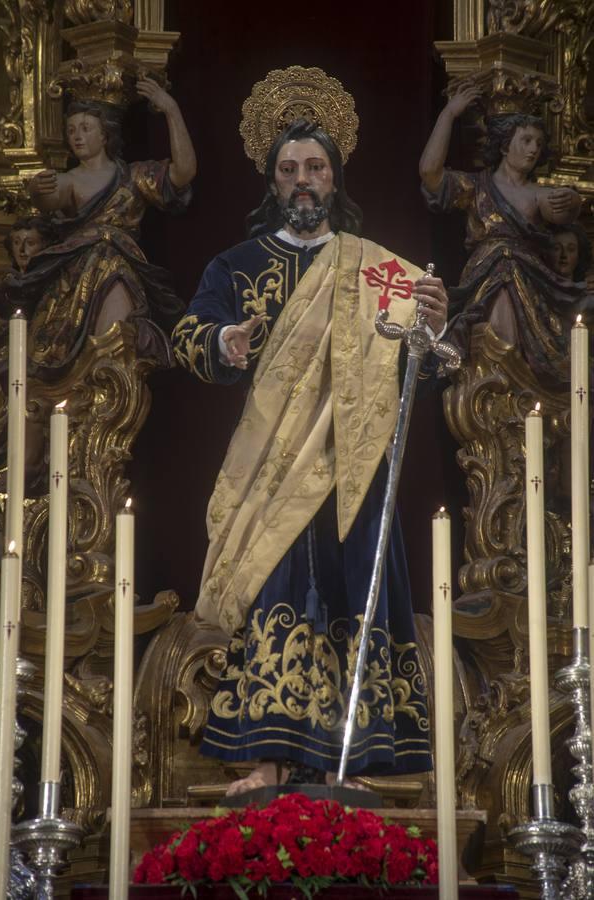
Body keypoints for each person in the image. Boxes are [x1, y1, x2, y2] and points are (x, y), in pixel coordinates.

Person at [173, 108, 449, 796]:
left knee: (353, 592)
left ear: (335, 179)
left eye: (315, 169)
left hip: (355, 463)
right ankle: (266, 760)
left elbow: (422, 367)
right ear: (272, 183)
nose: (303, 182)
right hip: (273, 462)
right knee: (278, 591)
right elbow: (189, 336)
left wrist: (433, 326)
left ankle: (346, 758)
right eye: (289, 170)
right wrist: (223, 342)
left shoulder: (379, 271)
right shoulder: (236, 265)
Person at [0, 76, 196, 377]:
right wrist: (37, 191)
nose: (77, 136)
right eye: (71, 130)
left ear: (105, 134)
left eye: (86, 128)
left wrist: (171, 110)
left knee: (114, 342)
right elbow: (49, 198)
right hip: (75, 275)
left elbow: (183, 172)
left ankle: (107, 375)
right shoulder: (69, 180)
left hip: (117, 266)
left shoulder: (134, 176)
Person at [419, 83, 589, 386]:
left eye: (538, 142)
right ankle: (496, 379)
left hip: (528, 277)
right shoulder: (475, 186)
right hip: (487, 275)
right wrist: (448, 114)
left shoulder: (537, 194)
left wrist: (573, 202)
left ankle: (515, 382)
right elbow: (430, 172)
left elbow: (561, 210)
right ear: (503, 145)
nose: (534, 148)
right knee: (495, 325)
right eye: (525, 140)